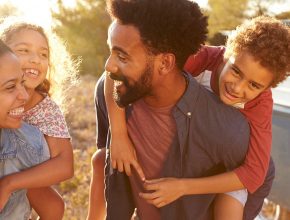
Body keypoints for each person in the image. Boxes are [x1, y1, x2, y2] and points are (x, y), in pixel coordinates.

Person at [93, 0, 275, 219]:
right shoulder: (200, 58)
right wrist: (119, 135)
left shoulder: (240, 123)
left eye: (254, 85)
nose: (237, 87)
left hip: (230, 174)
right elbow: (112, 78)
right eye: (235, 71)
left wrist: (183, 187)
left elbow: (258, 173)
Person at [0, 17, 79, 220]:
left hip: (22, 183)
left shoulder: (45, 109)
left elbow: (65, 165)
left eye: (43, 54)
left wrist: (11, 183)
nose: (35, 59)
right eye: (24, 50)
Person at [0, 40, 49, 219]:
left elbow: (53, 207)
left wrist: (10, 183)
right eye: (10, 87)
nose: (25, 95)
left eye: (22, 83)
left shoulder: (29, 142)